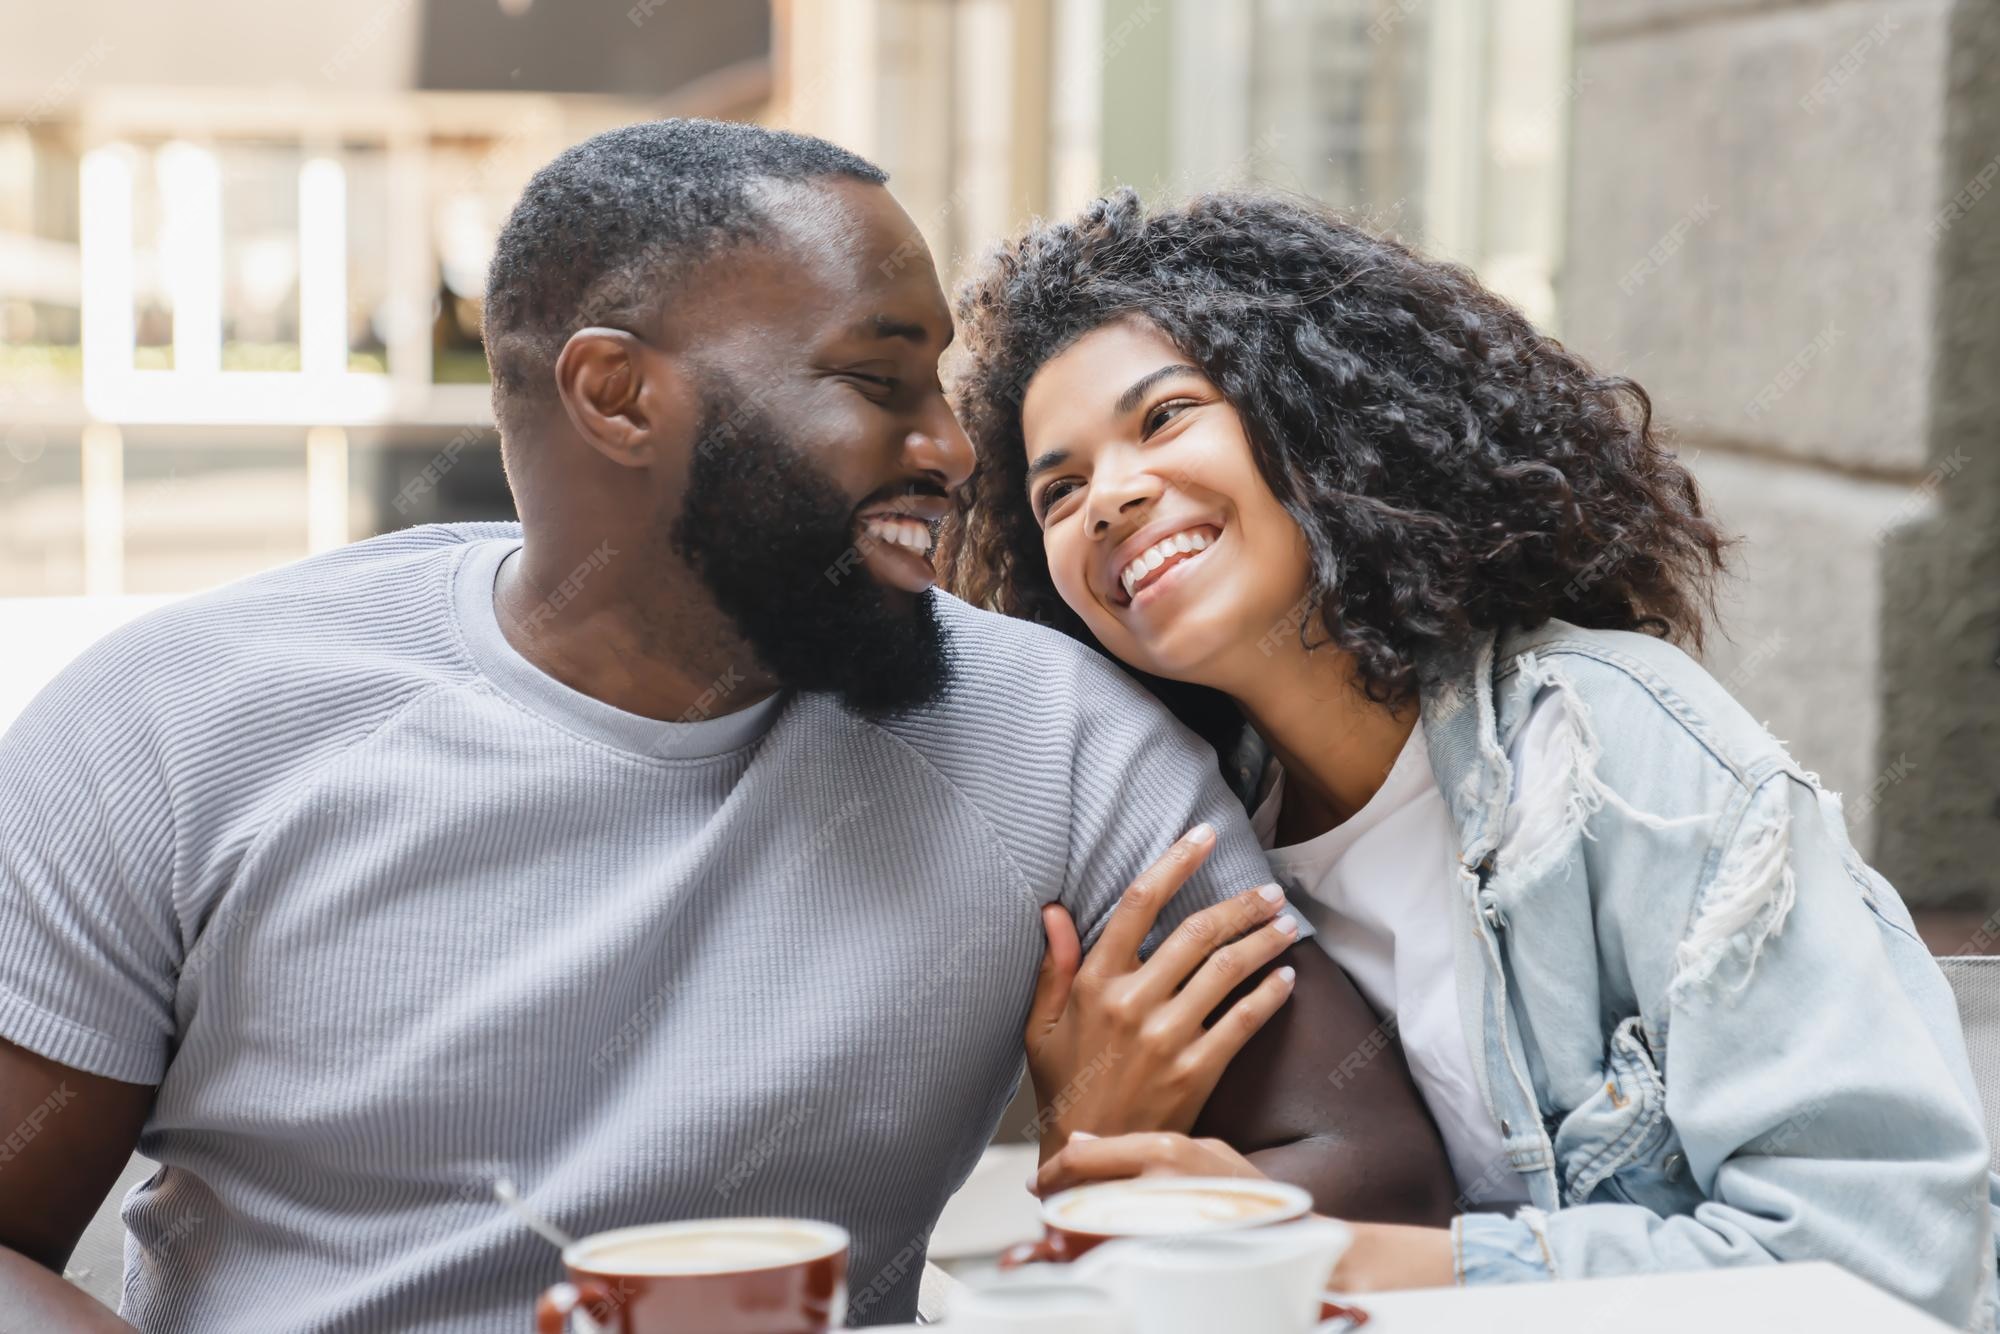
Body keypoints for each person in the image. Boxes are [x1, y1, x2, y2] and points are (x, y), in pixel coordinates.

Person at [0, 124, 1454, 1332]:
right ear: (619, 396)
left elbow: (1372, 1163)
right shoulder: (180, 724)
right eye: (875, 382)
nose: (952, 449)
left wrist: (1097, 1183)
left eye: (942, 387)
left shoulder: (1050, 737)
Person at [940, 188, 2000, 1326]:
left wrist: (1324, 1258)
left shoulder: (1609, 755)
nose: (1108, 497)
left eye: (1162, 419)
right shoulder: (1190, 851)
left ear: (1316, 410)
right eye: (1058, 488)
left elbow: (1881, 1255)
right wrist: (1090, 1127)